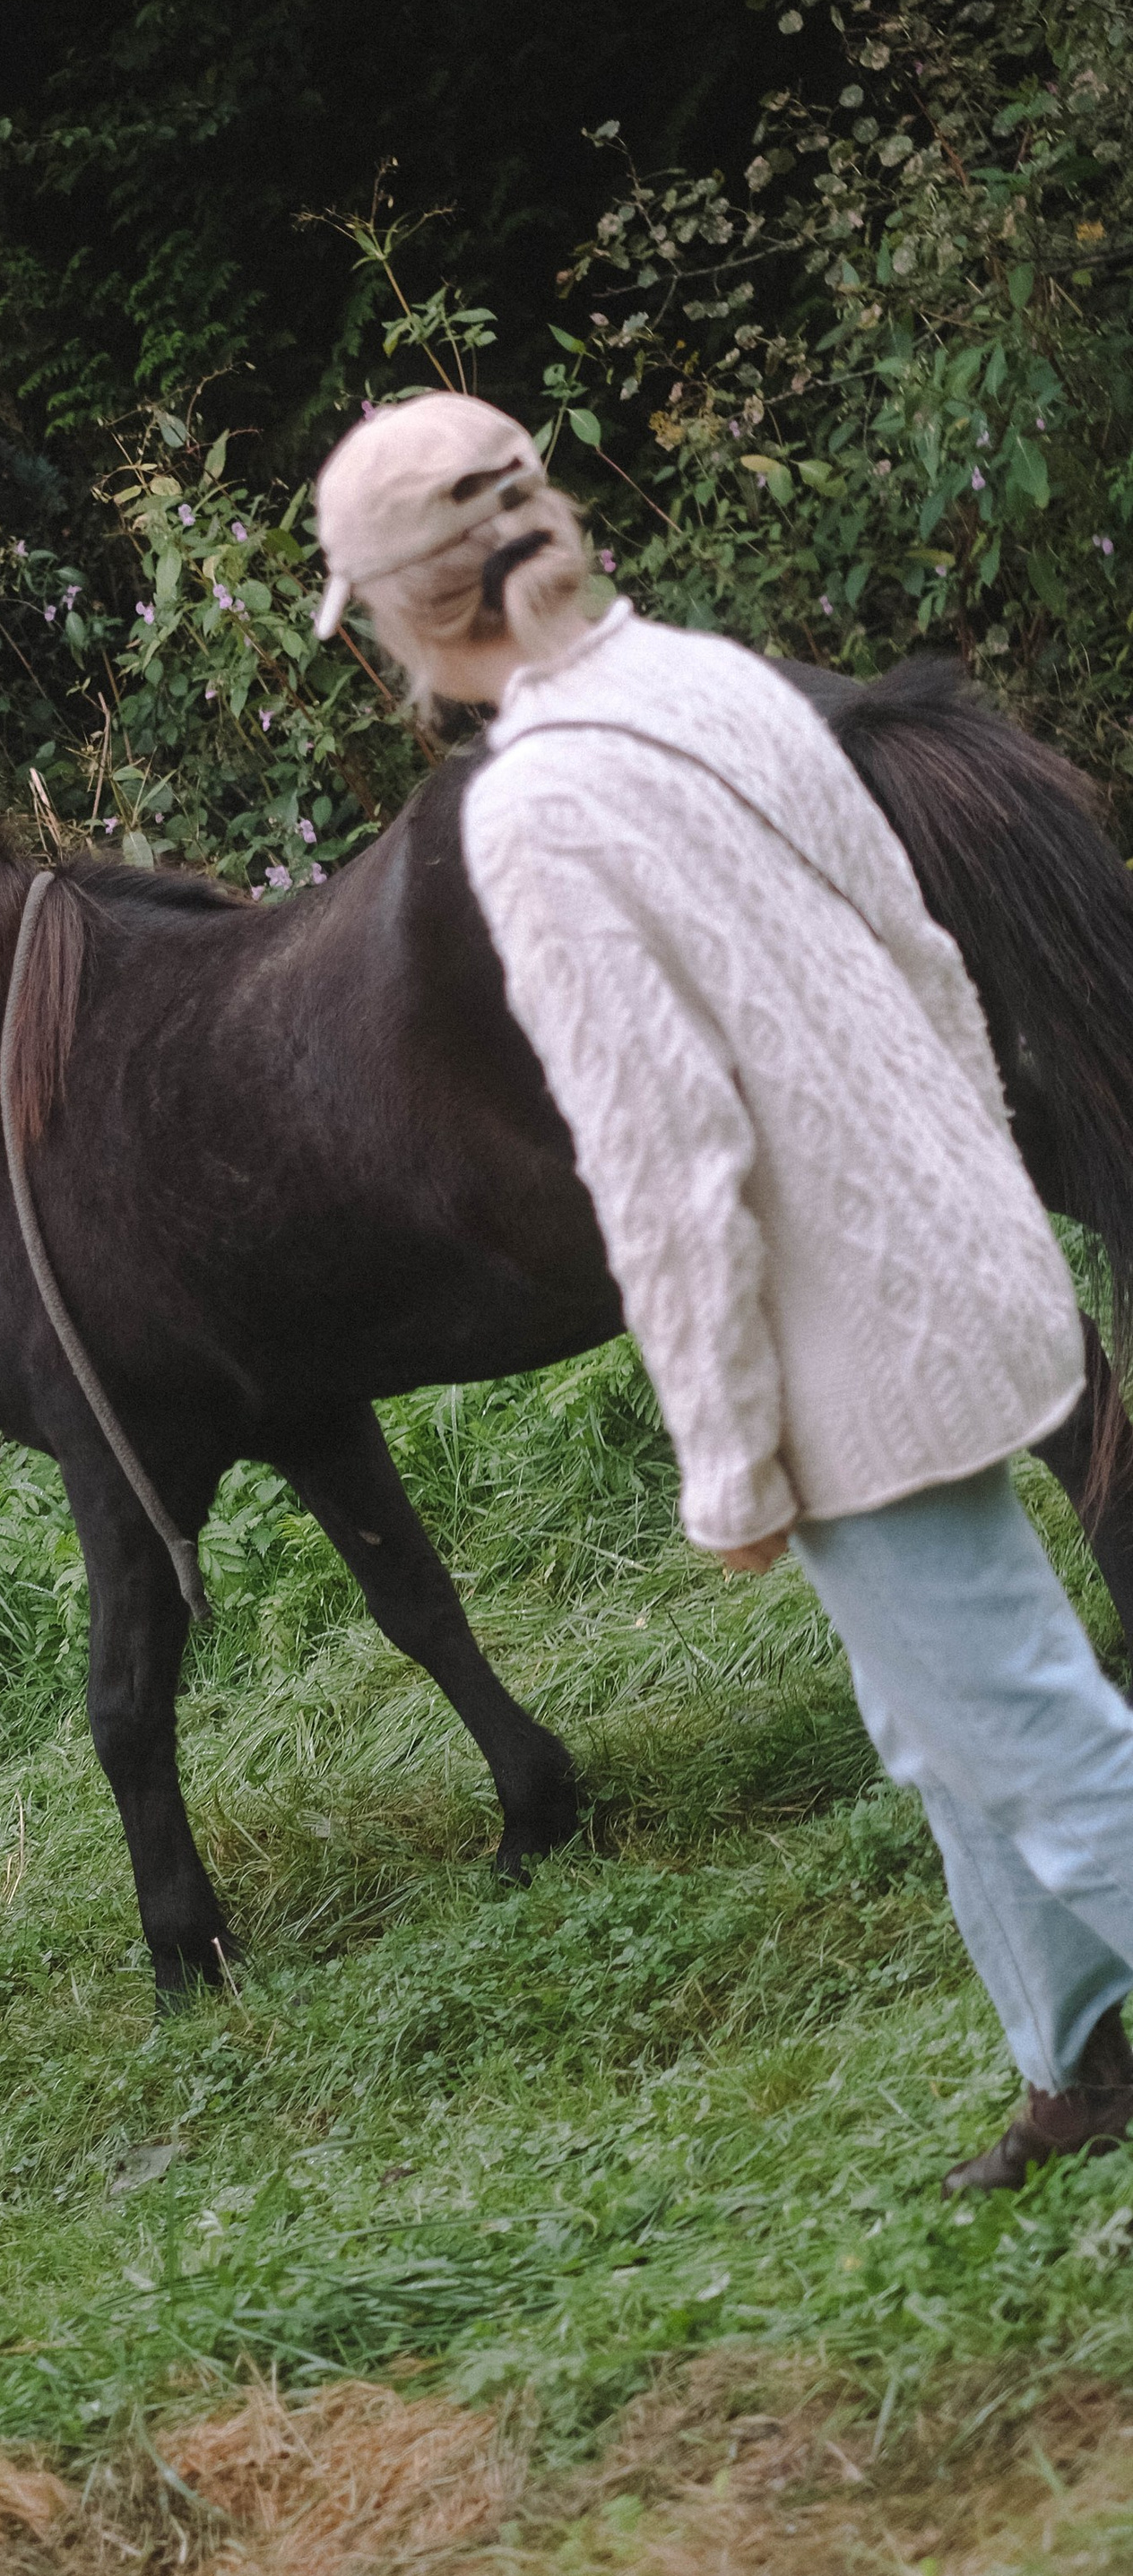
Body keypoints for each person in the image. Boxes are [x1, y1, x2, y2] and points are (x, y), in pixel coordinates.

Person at [313, 386, 1133, 2192]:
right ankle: (1070, 2061)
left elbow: (662, 1166)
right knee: (942, 1720)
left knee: (1039, 1738)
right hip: (958, 1264)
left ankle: (1080, 2043)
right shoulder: (711, 673)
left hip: (855, 1352)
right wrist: (971, 1196)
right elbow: (919, 960)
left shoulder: (524, 814)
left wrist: (725, 1464)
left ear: (404, 611)